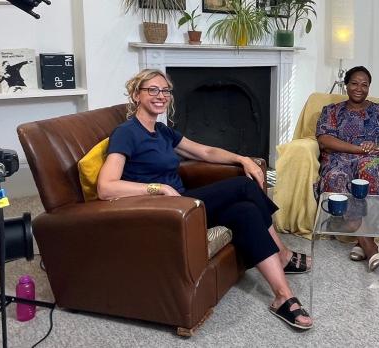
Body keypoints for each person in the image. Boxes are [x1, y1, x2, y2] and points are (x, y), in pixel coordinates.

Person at [97, 69, 313, 330]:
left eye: (165, 90)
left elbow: (205, 151)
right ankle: (283, 254)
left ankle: (282, 296)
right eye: (152, 90)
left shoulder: (163, 131)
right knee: (244, 186)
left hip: (185, 205)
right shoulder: (126, 133)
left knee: (245, 211)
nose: (161, 95)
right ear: (136, 95)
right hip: (163, 211)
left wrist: (241, 158)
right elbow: (106, 187)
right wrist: (159, 188)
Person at [315, 66, 379, 272]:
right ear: (346, 85)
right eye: (354, 83)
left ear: (369, 87)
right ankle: (370, 247)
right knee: (336, 177)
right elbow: (324, 140)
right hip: (340, 158)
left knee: (368, 170)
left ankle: (362, 242)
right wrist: (358, 149)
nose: (359, 88)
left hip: (374, 158)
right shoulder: (332, 111)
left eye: (364, 84)